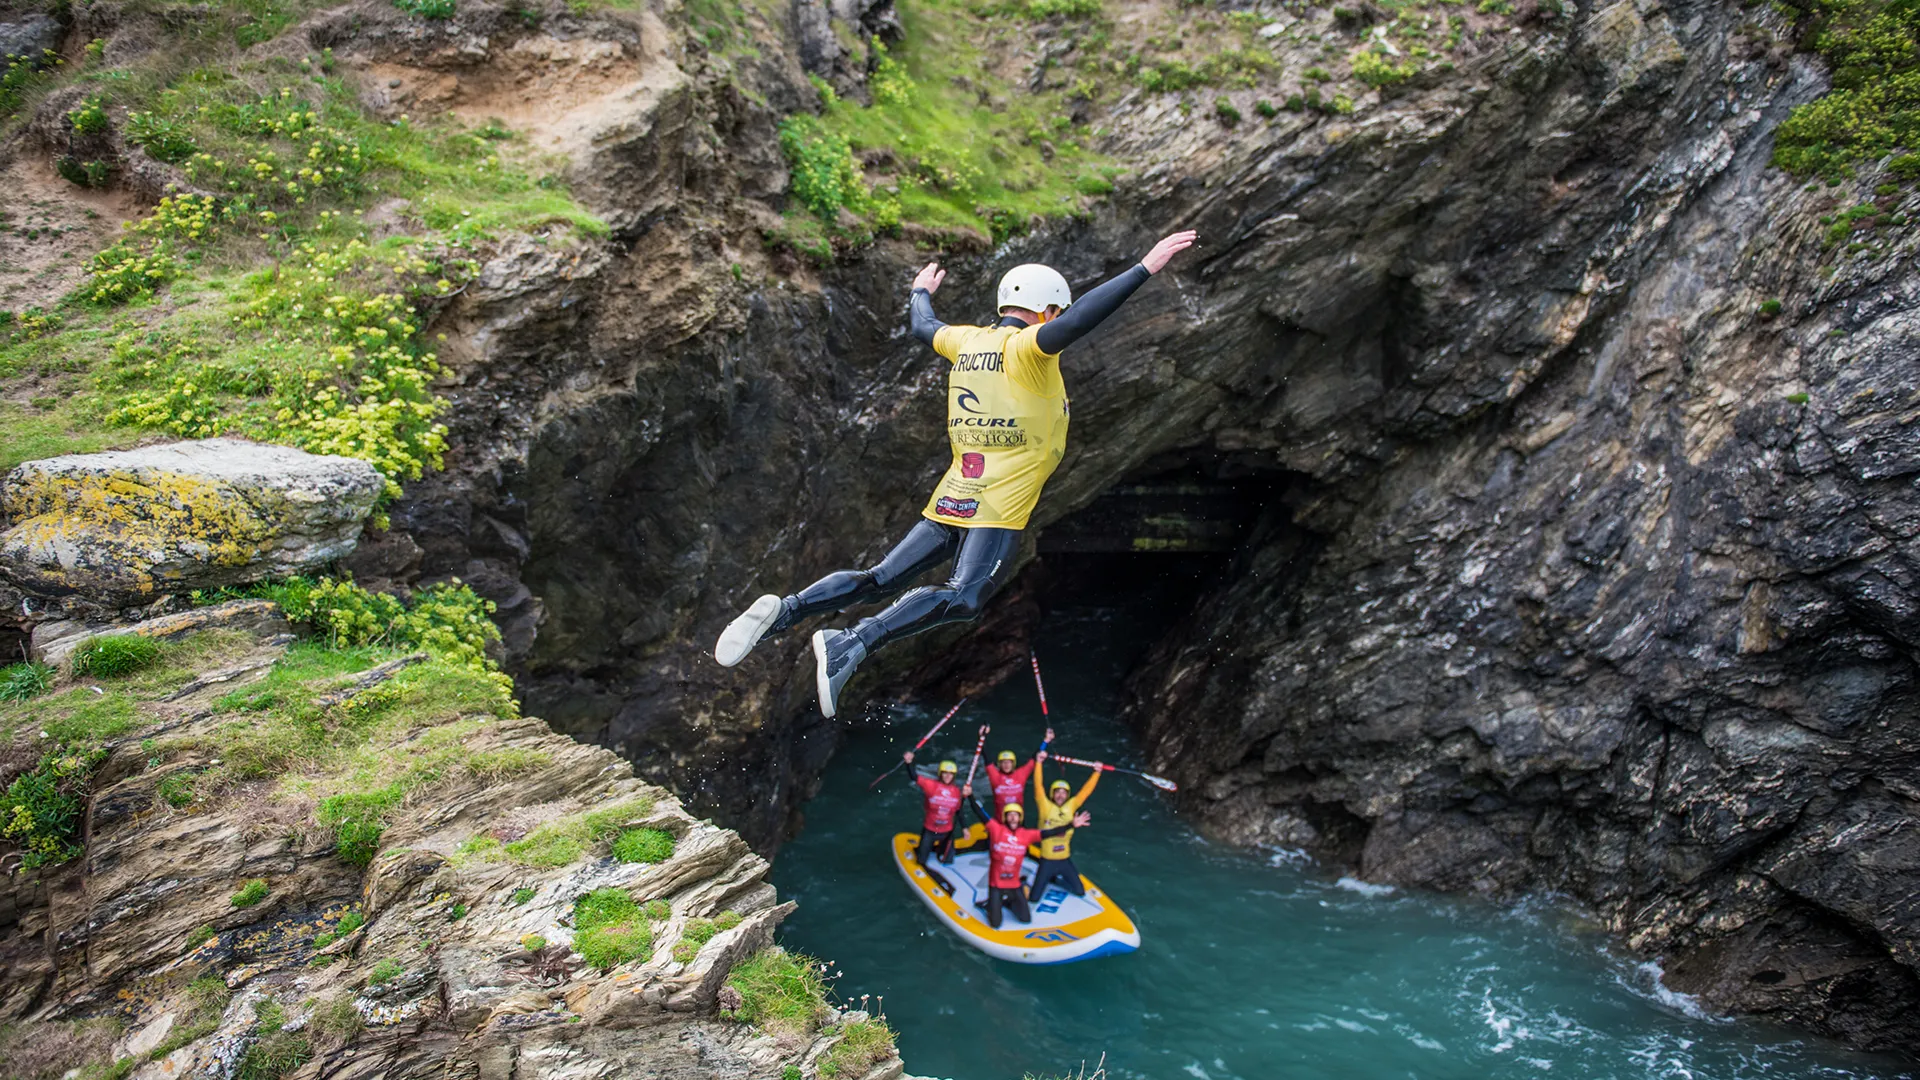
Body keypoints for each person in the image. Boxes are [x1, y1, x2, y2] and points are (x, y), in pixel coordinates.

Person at [712, 230, 1202, 717]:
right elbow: (1078, 322)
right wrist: (1144, 268)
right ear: (1048, 310)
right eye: (1055, 313)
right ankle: (853, 642)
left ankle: (786, 611)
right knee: (965, 596)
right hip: (998, 503)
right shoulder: (1030, 349)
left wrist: (919, 291)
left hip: (956, 491)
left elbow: (924, 325)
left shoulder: (965, 341)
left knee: (881, 577)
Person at [1028, 749, 1099, 903]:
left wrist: (1096, 773)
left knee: (1080, 892)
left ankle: (1055, 880)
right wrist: (1039, 763)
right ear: (1052, 794)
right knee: (1033, 899)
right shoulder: (1044, 805)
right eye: (1057, 792)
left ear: (1067, 795)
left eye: (1063, 793)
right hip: (1046, 861)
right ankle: (1049, 878)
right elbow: (1038, 785)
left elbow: (1085, 792)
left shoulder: (1072, 805)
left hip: (1064, 860)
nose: (1060, 795)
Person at [967, 795, 1044, 930]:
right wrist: (970, 796)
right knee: (995, 924)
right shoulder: (996, 829)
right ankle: (990, 905)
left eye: (1016, 815)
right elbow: (980, 813)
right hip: (996, 885)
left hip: (1014, 884)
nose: (1013, 818)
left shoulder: (1026, 834)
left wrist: (1072, 824)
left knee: (1026, 919)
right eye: (1010, 815)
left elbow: (1049, 833)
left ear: (1020, 818)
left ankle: (1006, 902)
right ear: (1005, 817)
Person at [901, 752, 963, 866]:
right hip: (930, 830)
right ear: (940, 773)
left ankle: (940, 850)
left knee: (949, 860)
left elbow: (959, 810)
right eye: (945, 773)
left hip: (947, 832)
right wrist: (909, 763)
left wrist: (965, 828)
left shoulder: (957, 791)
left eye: (951, 774)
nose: (948, 776)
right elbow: (914, 777)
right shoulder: (931, 785)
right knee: (921, 860)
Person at [985, 728, 1049, 817]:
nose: (1006, 765)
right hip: (1000, 822)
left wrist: (1046, 741)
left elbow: (1035, 757)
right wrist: (983, 736)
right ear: (999, 764)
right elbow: (987, 758)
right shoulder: (995, 776)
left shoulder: (1021, 774)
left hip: (1018, 821)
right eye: (1003, 762)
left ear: (1013, 763)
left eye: (1009, 762)